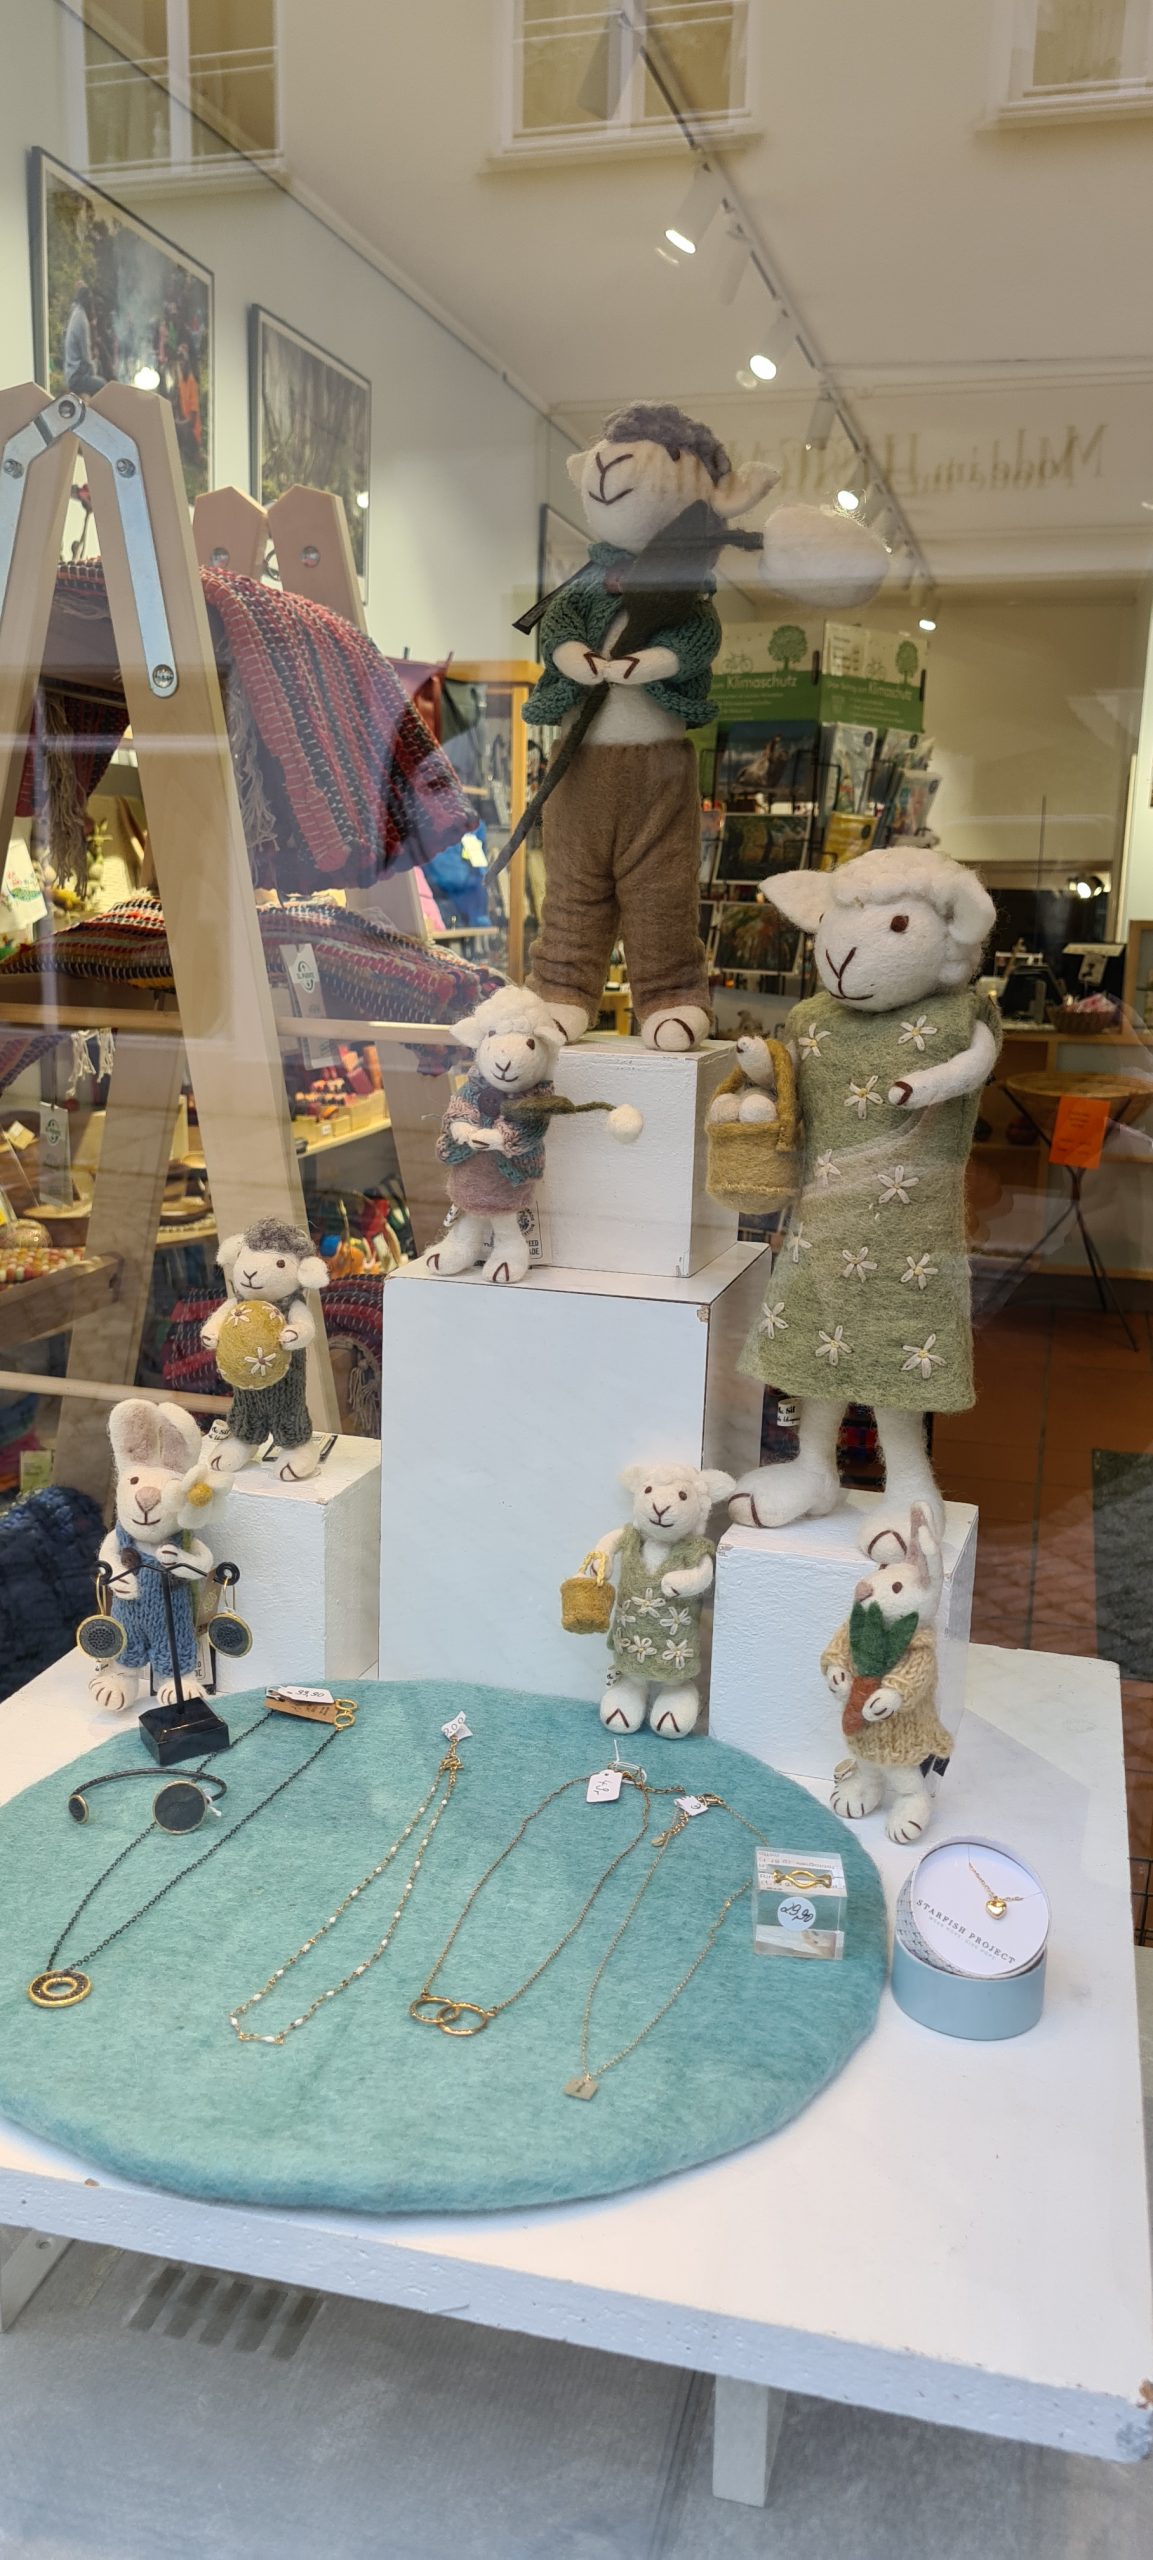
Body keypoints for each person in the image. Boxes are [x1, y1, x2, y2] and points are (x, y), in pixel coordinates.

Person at [62, 284, 104, 396]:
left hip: (70, 372)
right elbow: (86, 355)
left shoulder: (76, 313)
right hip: (76, 376)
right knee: (103, 386)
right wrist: (94, 369)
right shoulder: (82, 321)